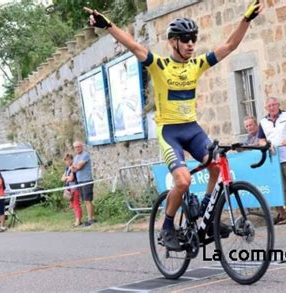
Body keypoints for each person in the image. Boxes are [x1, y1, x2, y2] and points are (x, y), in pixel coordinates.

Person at [84, 1, 263, 250]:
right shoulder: (159, 66)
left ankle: (207, 214)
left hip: (192, 128)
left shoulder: (196, 64)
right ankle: (167, 225)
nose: (191, 43)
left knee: (217, 167)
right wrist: (108, 26)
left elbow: (230, 46)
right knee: (182, 180)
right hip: (170, 132)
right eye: (185, 38)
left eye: (193, 38)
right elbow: (134, 45)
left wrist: (246, 19)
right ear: (172, 42)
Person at [258, 97, 286, 224]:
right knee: (283, 188)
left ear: (278, 105)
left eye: (274, 105)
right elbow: (261, 139)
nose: (272, 107)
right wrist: (266, 144)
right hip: (274, 158)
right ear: (266, 108)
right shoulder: (263, 121)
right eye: (269, 106)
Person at [72, 141, 95, 227]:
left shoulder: (85, 155)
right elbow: (73, 169)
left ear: (82, 146)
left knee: (87, 200)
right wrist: (75, 167)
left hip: (87, 180)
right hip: (80, 181)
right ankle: (92, 217)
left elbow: (78, 167)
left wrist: (76, 166)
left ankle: (90, 219)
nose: (77, 148)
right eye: (75, 147)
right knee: (86, 200)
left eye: (78, 146)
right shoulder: (75, 157)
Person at [62, 153, 82, 227]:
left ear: (71, 159)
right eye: (65, 160)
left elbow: (71, 178)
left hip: (75, 188)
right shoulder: (67, 168)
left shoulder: (73, 167)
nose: (66, 162)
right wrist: (67, 177)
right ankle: (77, 219)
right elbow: (62, 179)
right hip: (69, 189)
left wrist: (66, 178)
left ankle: (78, 221)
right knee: (73, 205)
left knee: (76, 204)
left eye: (67, 160)